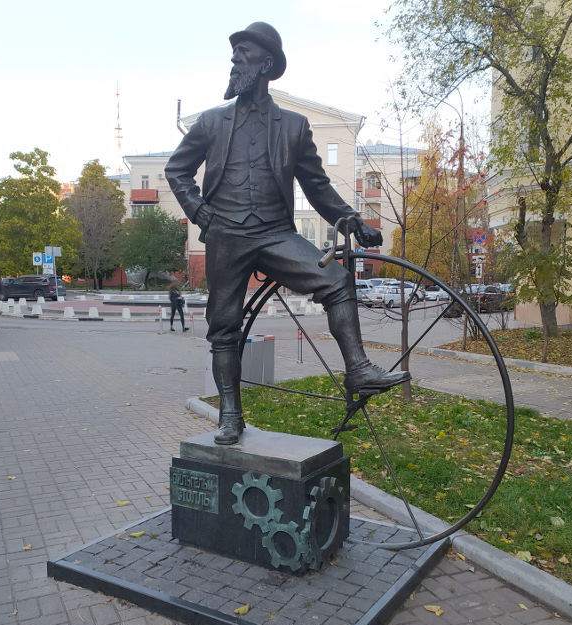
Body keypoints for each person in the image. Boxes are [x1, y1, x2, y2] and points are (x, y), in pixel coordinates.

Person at [165, 22, 409, 445]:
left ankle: (358, 370)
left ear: (266, 64)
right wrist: (201, 213)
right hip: (226, 234)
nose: (234, 59)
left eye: (243, 52)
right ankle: (230, 415)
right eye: (234, 53)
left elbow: (316, 186)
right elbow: (177, 170)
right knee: (224, 327)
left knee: (336, 279)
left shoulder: (294, 126)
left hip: (275, 232)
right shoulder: (211, 122)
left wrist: (351, 218)